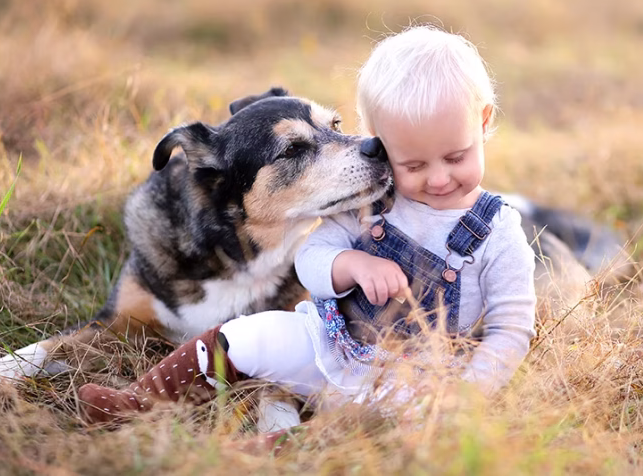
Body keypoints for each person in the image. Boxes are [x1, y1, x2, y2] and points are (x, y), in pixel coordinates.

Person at [77, 25, 537, 444]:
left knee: (407, 418)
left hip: (413, 375)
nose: (436, 180)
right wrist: (349, 264)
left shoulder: (497, 230)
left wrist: (468, 397)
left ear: (482, 124)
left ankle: (287, 444)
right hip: (330, 347)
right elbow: (314, 258)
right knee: (245, 336)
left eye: (454, 158)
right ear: (383, 138)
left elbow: (512, 327)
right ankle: (137, 401)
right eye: (413, 164)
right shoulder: (370, 205)